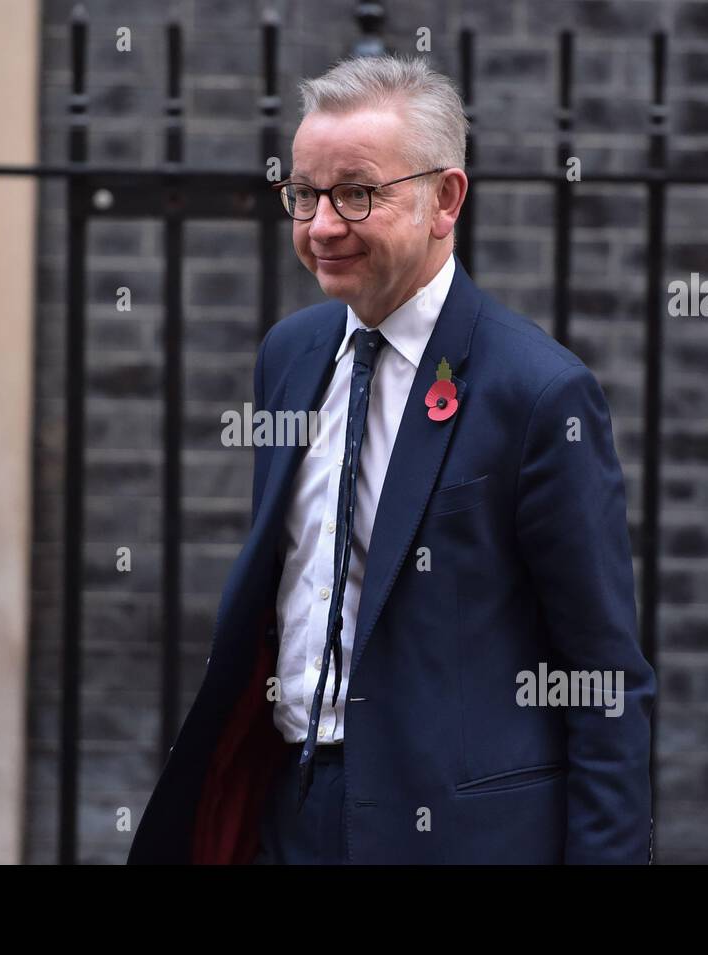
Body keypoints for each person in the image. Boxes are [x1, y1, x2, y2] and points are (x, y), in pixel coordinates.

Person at [127, 54, 654, 865]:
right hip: (287, 806)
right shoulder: (290, 355)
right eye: (304, 193)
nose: (322, 225)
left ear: (444, 198)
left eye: (357, 193)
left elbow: (603, 678)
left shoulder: (540, 394)